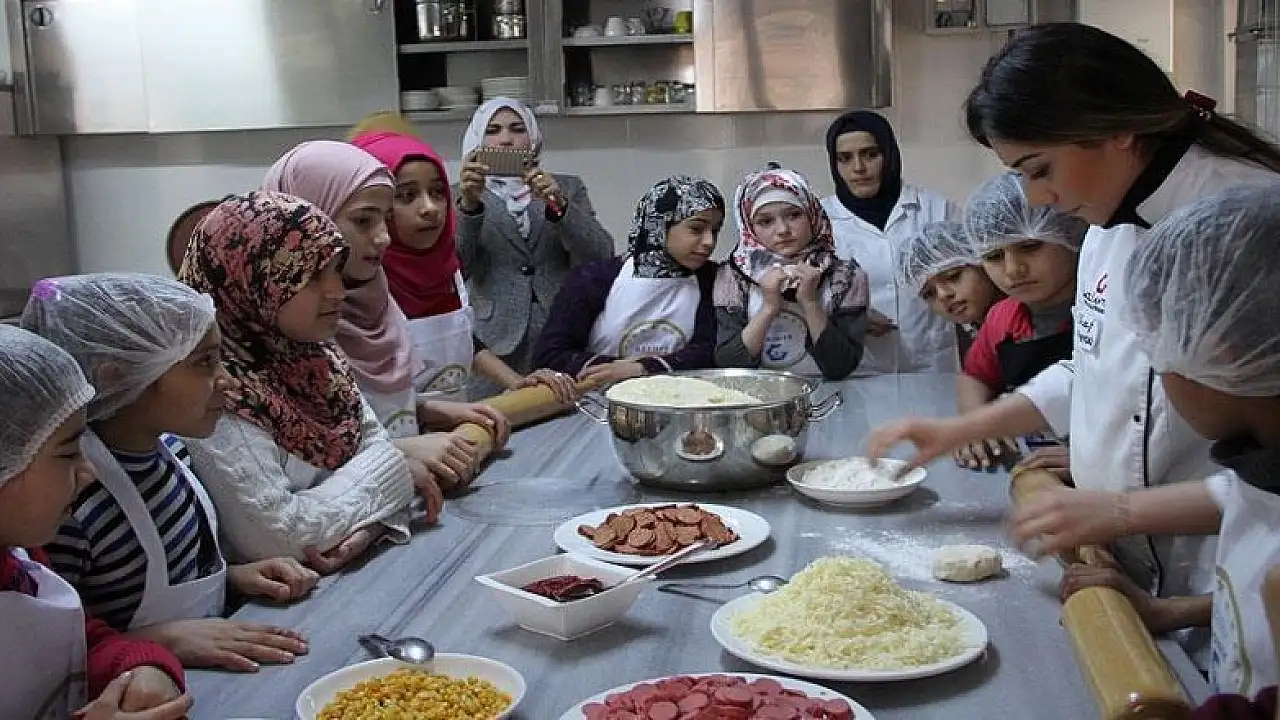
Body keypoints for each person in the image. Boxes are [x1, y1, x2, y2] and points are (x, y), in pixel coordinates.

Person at [868, 22, 1280, 667]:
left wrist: (1121, 509)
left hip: (1218, 574)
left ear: (1116, 128)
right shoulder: (1107, 223)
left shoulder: (1240, 217)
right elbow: (1092, 364)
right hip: (1131, 572)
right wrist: (968, 427)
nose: (1039, 198)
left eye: (1039, 169)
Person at [1009, 185, 1280, 705]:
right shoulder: (1261, 471)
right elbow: (1234, 503)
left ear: (1222, 357)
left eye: (1158, 356)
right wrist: (1167, 605)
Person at [23, 273, 317, 673]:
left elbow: (176, 563)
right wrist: (160, 640)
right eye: (204, 363)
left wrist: (231, 578)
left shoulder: (173, 450)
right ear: (116, 376)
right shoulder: (72, 499)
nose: (228, 381)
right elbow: (57, 654)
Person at [263, 139, 554, 490]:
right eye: (365, 220)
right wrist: (400, 452)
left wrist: (429, 411)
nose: (384, 237)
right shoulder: (296, 324)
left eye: (437, 192)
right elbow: (305, 463)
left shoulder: (375, 292)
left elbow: (368, 410)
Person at [178, 191, 426, 574]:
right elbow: (280, 535)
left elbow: (376, 448)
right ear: (254, 281)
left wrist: (373, 524)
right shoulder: (215, 391)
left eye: (336, 270)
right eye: (311, 276)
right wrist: (395, 477)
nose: (338, 291)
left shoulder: (316, 358)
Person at [0, 324, 190, 720]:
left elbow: (82, 644)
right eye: (68, 453)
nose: (87, 472)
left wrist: (142, 669)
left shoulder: (19, 559)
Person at [348, 128, 577, 408]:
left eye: (438, 192)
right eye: (407, 195)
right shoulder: (359, 286)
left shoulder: (445, 271)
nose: (430, 208)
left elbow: (466, 341)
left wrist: (517, 383)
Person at [456, 97, 615, 382]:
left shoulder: (566, 187)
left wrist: (559, 206)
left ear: (533, 137)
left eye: (518, 129)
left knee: (566, 408)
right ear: (477, 138)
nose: (506, 140)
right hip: (494, 343)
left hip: (561, 333)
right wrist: (470, 207)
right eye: (492, 130)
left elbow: (600, 255)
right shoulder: (460, 193)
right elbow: (458, 268)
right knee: (499, 410)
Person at [533, 175, 724, 382]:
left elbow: (709, 351)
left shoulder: (713, 279)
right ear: (659, 225)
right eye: (696, 229)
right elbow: (551, 354)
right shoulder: (593, 279)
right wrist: (613, 369)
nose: (709, 242)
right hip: (598, 397)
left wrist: (644, 368)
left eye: (715, 231)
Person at [954, 172, 1087, 469]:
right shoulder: (1003, 317)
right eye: (994, 256)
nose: (1013, 270)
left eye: (1030, 246)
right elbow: (974, 377)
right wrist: (975, 422)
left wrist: (1092, 458)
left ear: (1069, 235)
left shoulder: (1106, 308)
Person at [822, 110, 962, 373]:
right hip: (860, 368)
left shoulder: (937, 210)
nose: (858, 168)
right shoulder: (819, 222)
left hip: (932, 365)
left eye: (870, 154)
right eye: (845, 158)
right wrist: (846, 314)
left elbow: (972, 279)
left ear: (889, 155)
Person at [714, 165, 870, 380]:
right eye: (766, 221)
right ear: (749, 227)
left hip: (829, 394)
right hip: (756, 396)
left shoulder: (847, 277)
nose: (783, 230)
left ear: (813, 215)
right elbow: (729, 365)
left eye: (794, 215)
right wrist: (769, 308)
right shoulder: (732, 277)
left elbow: (841, 367)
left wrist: (811, 303)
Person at [896, 220, 1002, 361]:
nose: (943, 295)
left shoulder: (1021, 322)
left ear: (980, 262)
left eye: (953, 276)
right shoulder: (969, 337)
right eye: (928, 293)